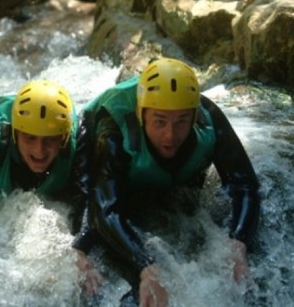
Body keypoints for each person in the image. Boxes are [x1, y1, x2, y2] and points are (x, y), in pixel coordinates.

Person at [72, 58, 260, 306]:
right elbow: (105, 212)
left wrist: (239, 241)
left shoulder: (208, 117)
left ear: (193, 116)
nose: (170, 134)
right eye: (160, 122)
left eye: (181, 121)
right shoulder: (114, 134)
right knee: (88, 209)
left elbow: (245, 184)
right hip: (103, 144)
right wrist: (144, 265)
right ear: (142, 115)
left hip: (167, 168)